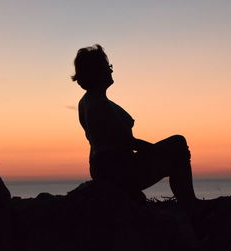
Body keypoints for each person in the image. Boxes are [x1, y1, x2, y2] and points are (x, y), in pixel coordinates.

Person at [72, 44, 199, 209]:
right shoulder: (98, 104)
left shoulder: (88, 101)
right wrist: (162, 151)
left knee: (176, 148)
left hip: (106, 168)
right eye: (106, 67)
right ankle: (191, 205)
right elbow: (127, 143)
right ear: (95, 72)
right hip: (118, 170)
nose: (111, 71)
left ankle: (189, 204)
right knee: (178, 143)